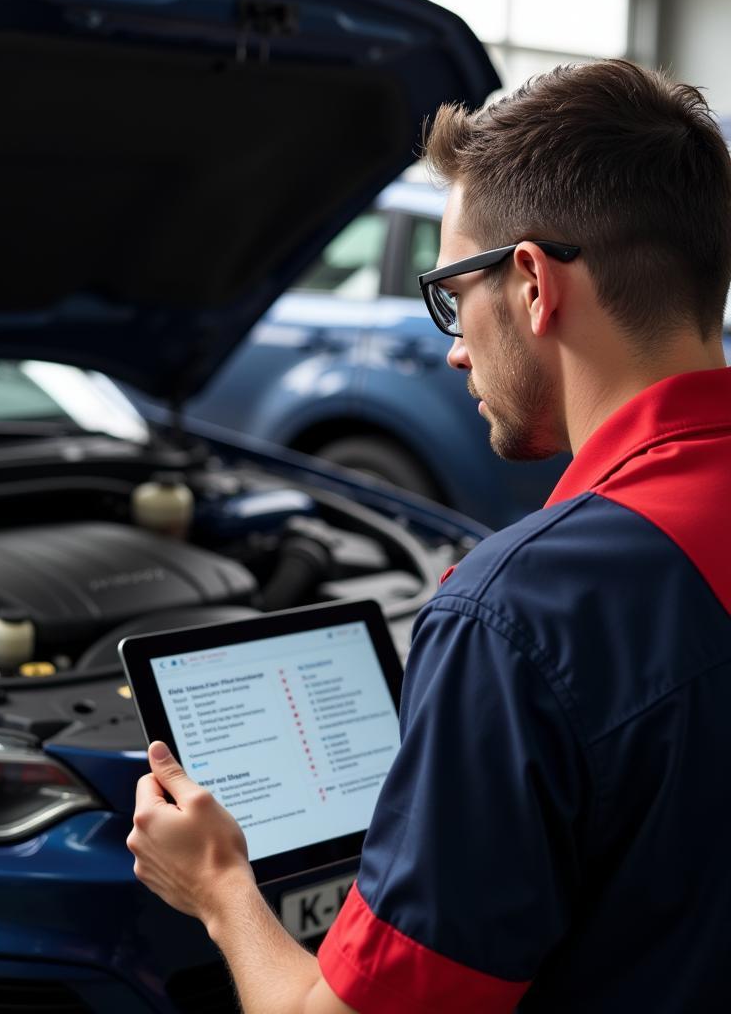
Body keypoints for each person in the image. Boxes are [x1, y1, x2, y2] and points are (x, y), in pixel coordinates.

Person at [127, 59, 731, 1012]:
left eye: (453, 291)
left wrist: (220, 892)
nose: (453, 344)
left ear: (532, 283)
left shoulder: (521, 616)